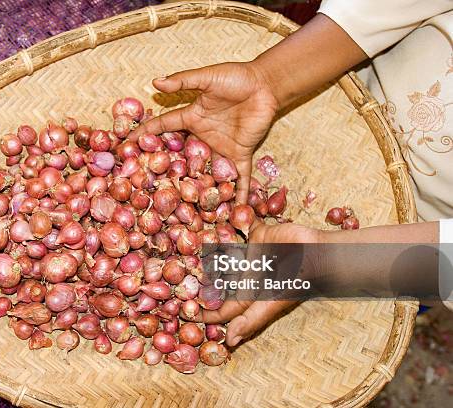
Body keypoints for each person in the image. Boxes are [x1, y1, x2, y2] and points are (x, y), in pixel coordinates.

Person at [132, 0, 453, 347]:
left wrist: (334, 259)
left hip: (417, 246)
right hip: (350, 77)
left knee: (388, 315)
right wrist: (270, 79)